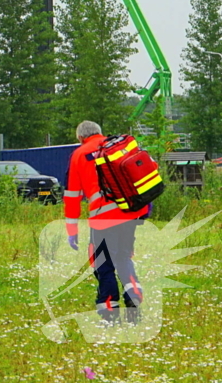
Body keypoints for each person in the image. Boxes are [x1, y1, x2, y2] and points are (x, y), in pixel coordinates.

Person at [64, 120, 150, 324]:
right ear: (100, 133)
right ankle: (134, 294)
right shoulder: (117, 147)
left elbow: (72, 196)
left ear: (80, 138)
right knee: (123, 256)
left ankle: (109, 310)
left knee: (102, 262)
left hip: (103, 217)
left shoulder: (79, 155)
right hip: (129, 213)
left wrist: (72, 229)